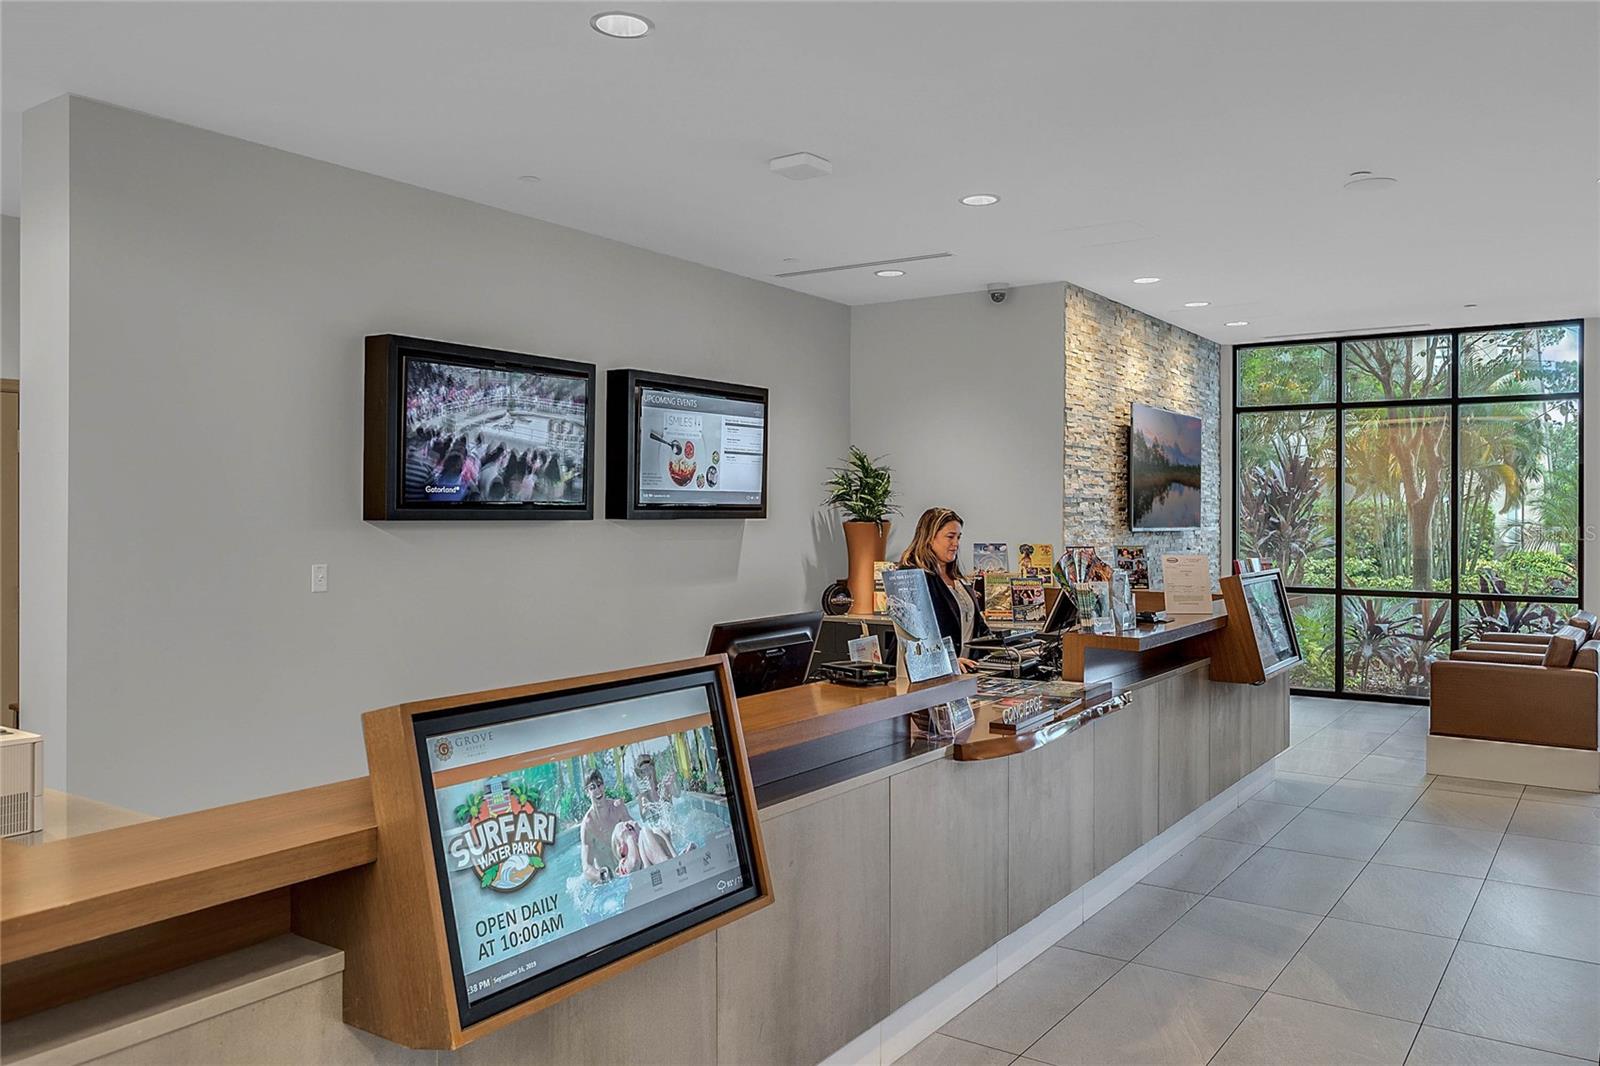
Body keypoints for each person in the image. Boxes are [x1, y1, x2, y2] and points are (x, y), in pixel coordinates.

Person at [898, 507, 991, 672]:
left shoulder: (958, 578)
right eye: (950, 537)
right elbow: (913, 634)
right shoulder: (911, 576)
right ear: (929, 538)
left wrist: (1008, 649)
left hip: (963, 672)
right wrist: (947, 659)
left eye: (958, 537)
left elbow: (979, 628)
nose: (956, 543)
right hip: (929, 674)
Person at [579, 769, 633, 883]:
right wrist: (601, 876)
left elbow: (638, 835)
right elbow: (586, 867)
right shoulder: (588, 825)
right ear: (587, 792)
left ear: (604, 785)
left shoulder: (618, 808)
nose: (598, 790)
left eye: (599, 785)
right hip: (608, 883)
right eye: (592, 787)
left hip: (627, 872)